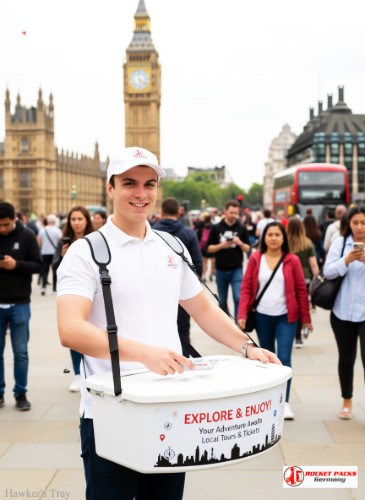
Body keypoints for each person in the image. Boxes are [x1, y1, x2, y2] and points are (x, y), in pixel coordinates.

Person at [56, 146, 280, 500]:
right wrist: (145, 354)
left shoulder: (172, 246)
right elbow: (70, 329)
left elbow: (204, 310)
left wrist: (247, 346)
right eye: (130, 183)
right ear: (111, 189)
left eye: (150, 184)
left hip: (171, 409)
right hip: (112, 410)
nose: (141, 193)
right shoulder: (87, 252)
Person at [237, 222, 312, 420]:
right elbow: (246, 287)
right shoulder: (255, 258)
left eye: (277, 234)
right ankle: (270, 401)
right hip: (262, 316)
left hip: (286, 317)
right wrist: (242, 314)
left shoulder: (292, 260)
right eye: (269, 234)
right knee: (267, 360)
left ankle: (284, 402)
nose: (273, 238)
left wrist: (306, 318)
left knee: (284, 359)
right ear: (264, 238)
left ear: (283, 238)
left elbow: (301, 290)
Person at [323, 206, 365, 420]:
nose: (359, 227)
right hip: (342, 310)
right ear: (349, 223)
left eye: (363, 223)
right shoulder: (340, 243)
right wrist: (346, 261)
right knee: (346, 358)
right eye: (355, 222)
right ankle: (347, 400)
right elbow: (327, 271)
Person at [0, 202, 43, 411]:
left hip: (20, 303)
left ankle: (20, 393)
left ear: (14, 219)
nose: (2, 229)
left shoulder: (26, 236)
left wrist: (15, 264)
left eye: (6, 225)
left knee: (20, 352)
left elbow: (38, 265)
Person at [153, 197, 203, 356]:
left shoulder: (151, 232)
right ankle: (183, 363)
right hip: (183, 292)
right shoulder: (188, 233)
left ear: (161, 212)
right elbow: (197, 264)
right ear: (179, 212)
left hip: (157, 291)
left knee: (157, 331)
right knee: (182, 329)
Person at [53, 206, 94, 392]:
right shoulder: (63, 241)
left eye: (80, 219)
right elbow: (54, 268)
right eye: (73, 219)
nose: (76, 223)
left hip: (92, 293)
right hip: (71, 294)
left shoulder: (95, 240)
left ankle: (92, 371)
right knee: (75, 334)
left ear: (87, 221)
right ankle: (78, 374)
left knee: (94, 333)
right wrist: (62, 257)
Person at [207, 199, 251, 318]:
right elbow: (209, 248)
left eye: (235, 213)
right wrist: (222, 245)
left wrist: (240, 243)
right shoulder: (216, 227)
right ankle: (225, 326)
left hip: (236, 268)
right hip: (220, 269)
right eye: (231, 212)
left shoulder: (241, 228)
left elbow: (247, 249)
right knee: (222, 301)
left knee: (238, 297)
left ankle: (237, 325)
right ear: (225, 211)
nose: (233, 216)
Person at [286, 218, 319, 347]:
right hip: (304, 277)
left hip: (288, 277)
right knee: (301, 306)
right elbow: (313, 263)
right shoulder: (307, 243)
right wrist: (317, 277)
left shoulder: (285, 242)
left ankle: (289, 335)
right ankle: (298, 337)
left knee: (288, 306)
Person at [38, 214, 62, 295]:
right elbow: (60, 242)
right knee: (55, 270)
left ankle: (43, 287)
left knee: (45, 271)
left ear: (47, 221)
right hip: (54, 253)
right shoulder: (58, 230)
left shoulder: (42, 230)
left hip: (44, 252)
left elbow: (39, 242)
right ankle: (54, 288)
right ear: (55, 221)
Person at [196, 212, 215, 282]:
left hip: (204, 246)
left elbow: (198, 236)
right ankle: (210, 274)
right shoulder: (213, 226)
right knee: (212, 262)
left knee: (205, 262)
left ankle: (204, 275)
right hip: (210, 246)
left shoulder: (201, 226)